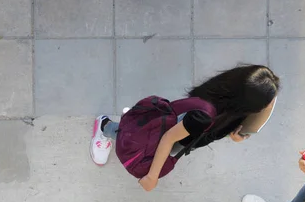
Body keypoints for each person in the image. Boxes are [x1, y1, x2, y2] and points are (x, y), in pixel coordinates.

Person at [89, 64, 281, 191]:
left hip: (171, 121)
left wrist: (233, 134)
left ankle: (131, 125)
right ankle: (105, 126)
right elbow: (169, 139)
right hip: (172, 134)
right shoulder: (205, 117)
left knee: (139, 132)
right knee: (130, 136)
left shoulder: (222, 89)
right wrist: (152, 177)